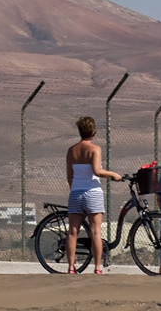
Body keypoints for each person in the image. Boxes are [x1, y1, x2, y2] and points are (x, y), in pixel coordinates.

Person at [65, 115, 122, 274]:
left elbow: (69, 176)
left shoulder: (71, 151)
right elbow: (97, 171)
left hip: (76, 192)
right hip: (92, 193)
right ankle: (97, 267)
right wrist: (113, 174)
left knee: (73, 231)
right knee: (95, 231)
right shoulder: (95, 149)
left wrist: (75, 188)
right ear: (93, 131)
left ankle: (70, 267)